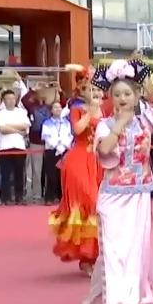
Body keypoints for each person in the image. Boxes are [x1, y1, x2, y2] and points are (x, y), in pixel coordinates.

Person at [75, 52, 153, 304]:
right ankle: (94, 303)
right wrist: (119, 124)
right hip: (112, 196)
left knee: (133, 256)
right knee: (112, 252)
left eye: (127, 94)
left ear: (137, 95)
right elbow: (105, 150)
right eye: (117, 94)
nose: (122, 98)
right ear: (110, 97)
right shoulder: (105, 124)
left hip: (139, 196)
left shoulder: (146, 119)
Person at [51, 67, 105, 275]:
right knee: (88, 202)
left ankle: (96, 254)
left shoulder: (104, 110)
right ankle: (86, 256)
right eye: (90, 89)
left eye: (97, 89)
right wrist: (90, 111)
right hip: (79, 160)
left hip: (99, 161)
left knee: (101, 207)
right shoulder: (77, 109)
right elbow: (78, 130)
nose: (94, 93)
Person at [0, 89, 30, 205]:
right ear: (4, 101)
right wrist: (17, 130)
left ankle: (20, 197)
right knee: (6, 174)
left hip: (19, 146)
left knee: (20, 173)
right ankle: (6, 198)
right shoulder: (0, 113)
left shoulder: (21, 112)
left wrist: (9, 126)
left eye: (12, 98)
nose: (11, 101)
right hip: (5, 147)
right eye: (8, 99)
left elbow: (25, 126)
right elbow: (2, 129)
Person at [40, 102, 72, 205]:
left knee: (62, 175)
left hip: (64, 150)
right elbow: (46, 137)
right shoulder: (47, 123)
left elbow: (70, 136)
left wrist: (63, 146)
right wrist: (56, 146)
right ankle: (49, 197)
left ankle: (61, 197)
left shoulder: (66, 123)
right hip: (52, 151)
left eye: (59, 107)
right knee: (51, 175)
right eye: (55, 107)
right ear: (51, 110)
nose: (58, 109)